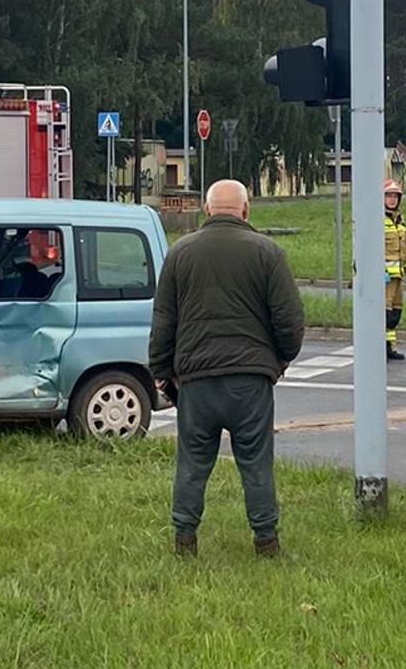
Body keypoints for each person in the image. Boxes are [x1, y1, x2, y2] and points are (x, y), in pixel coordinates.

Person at [149, 179, 305, 559]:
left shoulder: (180, 253)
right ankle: (266, 541)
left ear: (207, 210)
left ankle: (184, 540)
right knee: (256, 464)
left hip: (196, 382)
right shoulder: (268, 253)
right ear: (246, 210)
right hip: (250, 382)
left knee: (192, 463)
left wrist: (162, 371)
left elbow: (164, 319)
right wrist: (279, 362)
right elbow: (290, 320)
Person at [382, 179, 406, 361]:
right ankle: (382, 348)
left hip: (398, 277)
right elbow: (372, 249)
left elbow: (404, 252)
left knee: (395, 313)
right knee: (384, 314)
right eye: (388, 196)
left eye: (395, 196)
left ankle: (391, 347)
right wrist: (379, 271)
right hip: (384, 279)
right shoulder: (378, 220)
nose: (392, 199)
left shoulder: (400, 222)